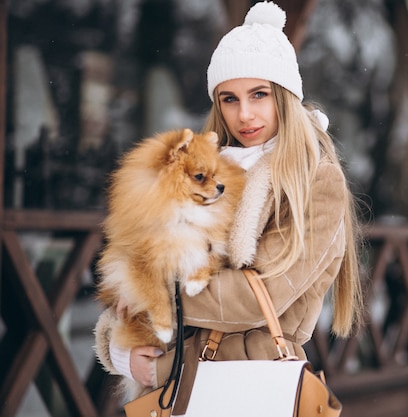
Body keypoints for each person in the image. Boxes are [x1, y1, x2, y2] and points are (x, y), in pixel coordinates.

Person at [94, 0, 363, 393]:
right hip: (179, 384)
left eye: (259, 95)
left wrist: (151, 294)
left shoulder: (313, 180)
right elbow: (144, 258)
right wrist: (124, 353)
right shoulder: (208, 171)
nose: (245, 115)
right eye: (230, 99)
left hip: (250, 385)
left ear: (285, 96)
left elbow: (257, 301)